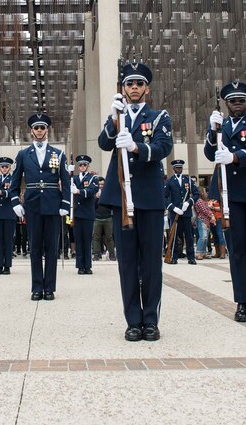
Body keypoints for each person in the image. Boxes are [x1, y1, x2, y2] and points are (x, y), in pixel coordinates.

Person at [98, 61, 173, 341]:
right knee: (127, 262)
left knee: (151, 262)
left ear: (147, 89)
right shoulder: (118, 115)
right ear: (123, 88)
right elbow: (104, 143)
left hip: (149, 197)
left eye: (139, 84)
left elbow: (164, 146)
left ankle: (150, 319)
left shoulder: (158, 117)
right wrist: (112, 117)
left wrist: (136, 147)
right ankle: (133, 320)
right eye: (130, 83)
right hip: (121, 198)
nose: (134, 88)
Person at [204, 80, 246, 322]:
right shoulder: (219, 125)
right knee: (236, 250)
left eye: (241, 100)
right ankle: (242, 302)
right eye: (233, 101)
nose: (237, 105)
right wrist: (213, 131)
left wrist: (234, 156)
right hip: (229, 195)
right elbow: (210, 153)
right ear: (226, 104)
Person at [9, 112, 70, 302]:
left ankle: (49, 288)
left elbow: (66, 182)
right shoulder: (23, 154)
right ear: (31, 131)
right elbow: (15, 181)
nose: (39, 131)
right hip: (33, 204)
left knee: (51, 248)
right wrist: (15, 202)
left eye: (42, 127)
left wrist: (65, 203)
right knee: (34, 247)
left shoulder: (58, 153)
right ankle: (37, 287)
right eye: (36, 128)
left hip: (53, 204)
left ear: (47, 130)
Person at [164, 160, 199, 265]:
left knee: (189, 236)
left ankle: (191, 257)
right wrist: (172, 208)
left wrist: (189, 202)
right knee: (174, 236)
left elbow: (196, 194)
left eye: (180, 168)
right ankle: (174, 257)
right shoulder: (169, 181)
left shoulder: (188, 179)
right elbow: (164, 197)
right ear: (174, 169)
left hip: (186, 213)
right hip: (175, 213)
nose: (179, 170)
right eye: (177, 168)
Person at [69, 155, 99, 274]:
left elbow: (93, 191)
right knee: (78, 240)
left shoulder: (93, 178)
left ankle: (88, 266)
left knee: (87, 240)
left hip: (87, 213)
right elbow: (66, 186)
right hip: (77, 213)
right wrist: (67, 172)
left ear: (88, 166)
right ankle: (80, 266)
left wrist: (79, 191)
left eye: (84, 165)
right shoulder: (74, 178)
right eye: (80, 165)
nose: (82, 166)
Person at [0, 157, 17, 275]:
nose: (4, 169)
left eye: (6, 167)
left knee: (8, 240)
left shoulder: (13, 179)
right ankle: (0, 265)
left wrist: (0, 192)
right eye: (2, 167)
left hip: (8, 213)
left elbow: (12, 192)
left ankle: (7, 266)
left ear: (10, 168)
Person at [91, 177, 115, 260]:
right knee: (96, 237)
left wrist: (104, 198)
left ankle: (112, 254)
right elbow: (92, 206)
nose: (101, 186)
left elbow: (111, 206)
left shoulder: (108, 193)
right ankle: (96, 254)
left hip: (108, 218)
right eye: (99, 184)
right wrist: (96, 198)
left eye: (102, 184)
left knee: (109, 237)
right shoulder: (94, 193)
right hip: (97, 218)